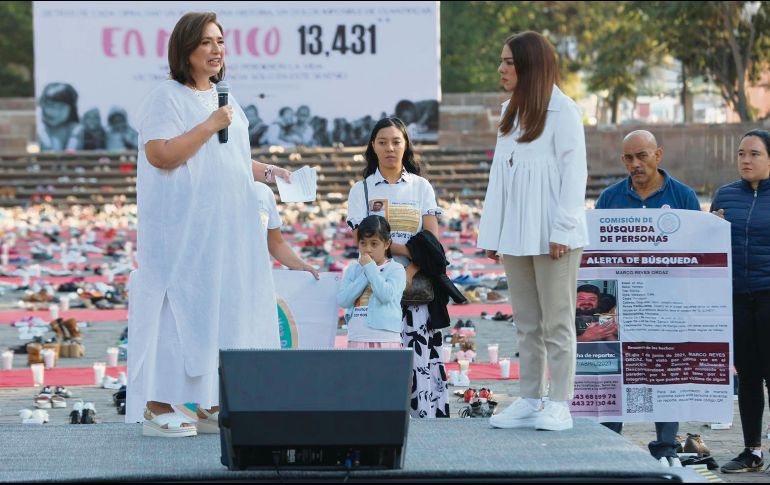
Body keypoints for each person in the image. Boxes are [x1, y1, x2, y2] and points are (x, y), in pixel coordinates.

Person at [126, 11, 291, 437]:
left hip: (225, 231)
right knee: (177, 309)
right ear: (185, 50)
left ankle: (217, 400)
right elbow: (161, 154)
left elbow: (228, 158)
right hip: (181, 232)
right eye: (206, 43)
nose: (217, 50)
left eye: (220, 41)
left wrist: (269, 172)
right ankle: (157, 405)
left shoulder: (224, 97)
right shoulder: (166, 96)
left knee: (220, 307)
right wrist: (209, 124)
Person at [478, 31, 588, 431]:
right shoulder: (510, 113)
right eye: (503, 61)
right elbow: (499, 179)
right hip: (517, 235)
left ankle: (559, 402)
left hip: (555, 236)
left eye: (509, 62)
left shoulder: (564, 112)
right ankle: (528, 398)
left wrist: (562, 227)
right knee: (525, 321)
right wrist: (493, 233)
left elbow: (574, 176)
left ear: (530, 66)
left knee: (557, 321)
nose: (502, 69)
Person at [595, 129, 700, 467]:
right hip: (620, 302)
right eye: (628, 158)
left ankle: (667, 445)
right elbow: (596, 252)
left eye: (642, 156)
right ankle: (608, 441)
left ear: (659, 154)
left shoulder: (683, 197)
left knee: (664, 369)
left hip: (665, 302)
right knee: (614, 367)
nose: (635, 164)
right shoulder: (610, 198)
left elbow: (698, 249)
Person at [346, 117, 448, 418]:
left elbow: (433, 244)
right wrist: (400, 256)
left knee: (417, 359)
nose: (390, 148)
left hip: (414, 286)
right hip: (374, 289)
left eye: (396, 141)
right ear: (372, 148)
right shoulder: (361, 190)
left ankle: (424, 421)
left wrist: (409, 269)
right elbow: (364, 242)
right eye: (382, 142)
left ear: (406, 146)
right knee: (378, 361)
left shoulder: (421, 187)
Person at [710, 129, 770, 474]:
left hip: (769, 296)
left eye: (754, 154)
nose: (745, 160)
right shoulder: (725, 195)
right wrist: (709, 226)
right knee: (747, 376)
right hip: (736, 298)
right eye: (741, 153)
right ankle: (752, 451)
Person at [337, 215, 406, 349]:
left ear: (387, 244)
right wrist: (365, 271)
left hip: (386, 339)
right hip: (357, 337)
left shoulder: (396, 269)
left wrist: (370, 268)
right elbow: (343, 300)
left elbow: (385, 295)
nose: (367, 249)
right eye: (363, 243)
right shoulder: (353, 269)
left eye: (374, 244)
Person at [253, 181, 319, 279]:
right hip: (225, 279)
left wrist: (301, 265)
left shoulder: (263, 191)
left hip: (257, 279)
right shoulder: (222, 191)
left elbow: (276, 243)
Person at [37, 82, 83, 151]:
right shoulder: (42, 129)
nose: (53, 112)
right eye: (49, 105)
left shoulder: (75, 129)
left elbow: (71, 153)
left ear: (71, 108)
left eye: (60, 107)